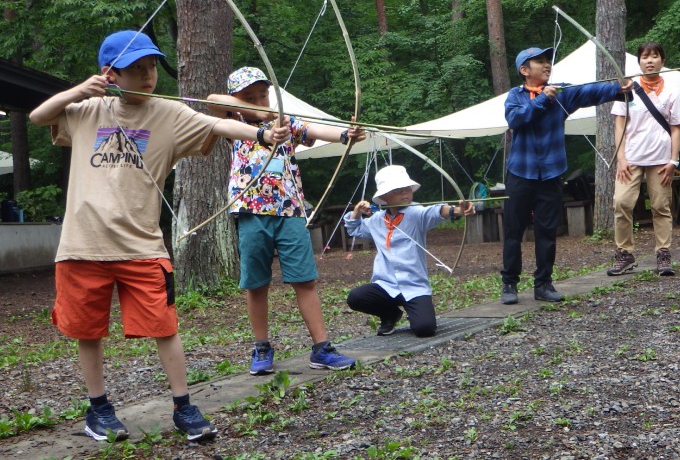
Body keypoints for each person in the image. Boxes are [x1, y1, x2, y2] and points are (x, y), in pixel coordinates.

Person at [29, 30, 290, 443]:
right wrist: (81, 89)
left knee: (164, 326)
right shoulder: (86, 109)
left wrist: (262, 134)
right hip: (83, 244)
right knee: (88, 330)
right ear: (111, 74)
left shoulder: (167, 113)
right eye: (137, 68)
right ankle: (99, 410)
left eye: (151, 66)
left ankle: (183, 406)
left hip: (142, 245)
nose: (149, 75)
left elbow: (217, 123)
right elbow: (38, 116)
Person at [205, 67, 365, 376]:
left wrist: (346, 134)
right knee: (256, 283)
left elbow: (317, 131)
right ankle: (262, 347)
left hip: (290, 212)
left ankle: (322, 348)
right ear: (236, 101)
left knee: (304, 280)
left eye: (263, 95)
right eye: (249, 96)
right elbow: (211, 101)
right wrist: (252, 112)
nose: (259, 101)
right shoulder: (233, 123)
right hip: (251, 214)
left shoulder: (285, 122)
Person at [501, 46, 633, 305]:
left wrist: (618, 89)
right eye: (539, 62)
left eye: (548, 61)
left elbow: (588, 91)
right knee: (513, 231)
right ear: (524, 70)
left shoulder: (561, 92)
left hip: (551, 174)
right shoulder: (514, 96)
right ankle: (509, 284)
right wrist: (541, 100)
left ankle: (543, 283)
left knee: (547, 232)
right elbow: (516, 120)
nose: (546, 65)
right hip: (520, 174)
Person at [344, 165, 475, 337]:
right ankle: (390, 314)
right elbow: (355, 230)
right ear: (384, 197)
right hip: (386, 285)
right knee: (355, 297)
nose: (405, 193)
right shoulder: (376, 220)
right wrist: (356, 213)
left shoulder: (416, 213)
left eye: (407, 189)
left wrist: (457, 210)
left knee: (425, 328)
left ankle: (411, 313)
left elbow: (436, 211)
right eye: (398, 190)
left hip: (414, 286)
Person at [606, 42, 680, 277]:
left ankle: (663, 253)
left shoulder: (672, 92)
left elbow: (675, 129)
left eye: (654, 56)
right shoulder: (627, 89)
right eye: (645, 57)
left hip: (661, 160)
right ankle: (625, 254)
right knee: (621, 203)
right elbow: (619, 123)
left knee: (661, 207)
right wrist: (620, 158)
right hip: (631, 157)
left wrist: (674, 161)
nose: (649, 60)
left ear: (662, 61)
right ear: (639, 62)